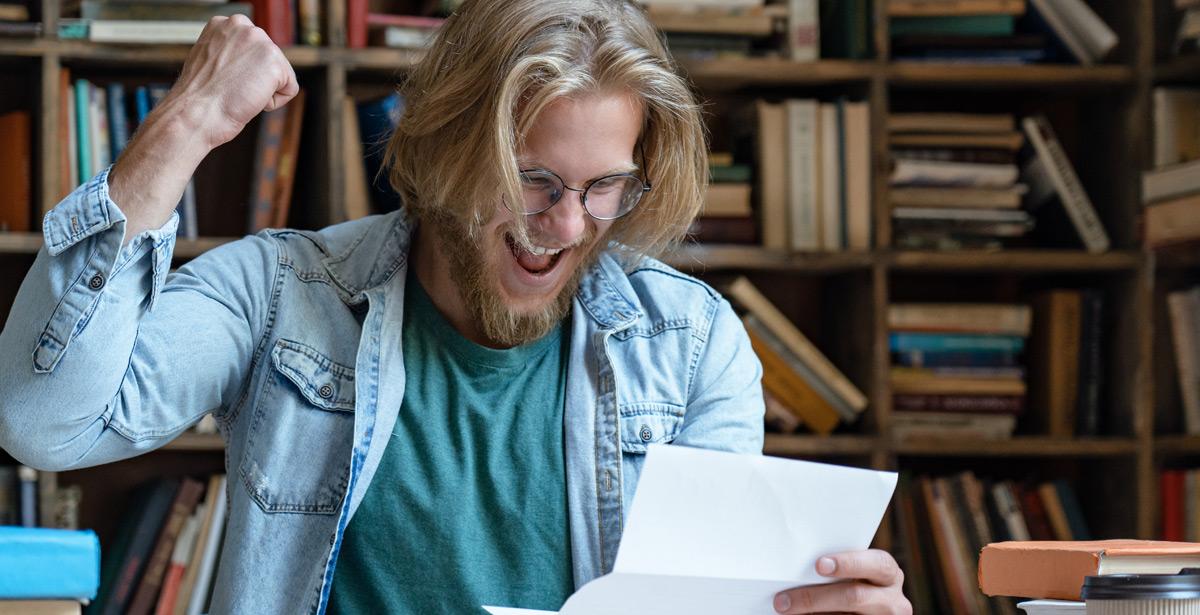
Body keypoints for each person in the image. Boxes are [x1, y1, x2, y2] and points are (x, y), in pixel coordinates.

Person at [0, 1, 910, 613]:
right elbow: (44, 426)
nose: (565, 225)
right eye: (534, 179)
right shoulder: (283, 291)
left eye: (605, 188)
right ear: (443, 149)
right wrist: (186, 125)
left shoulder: (694, 342)